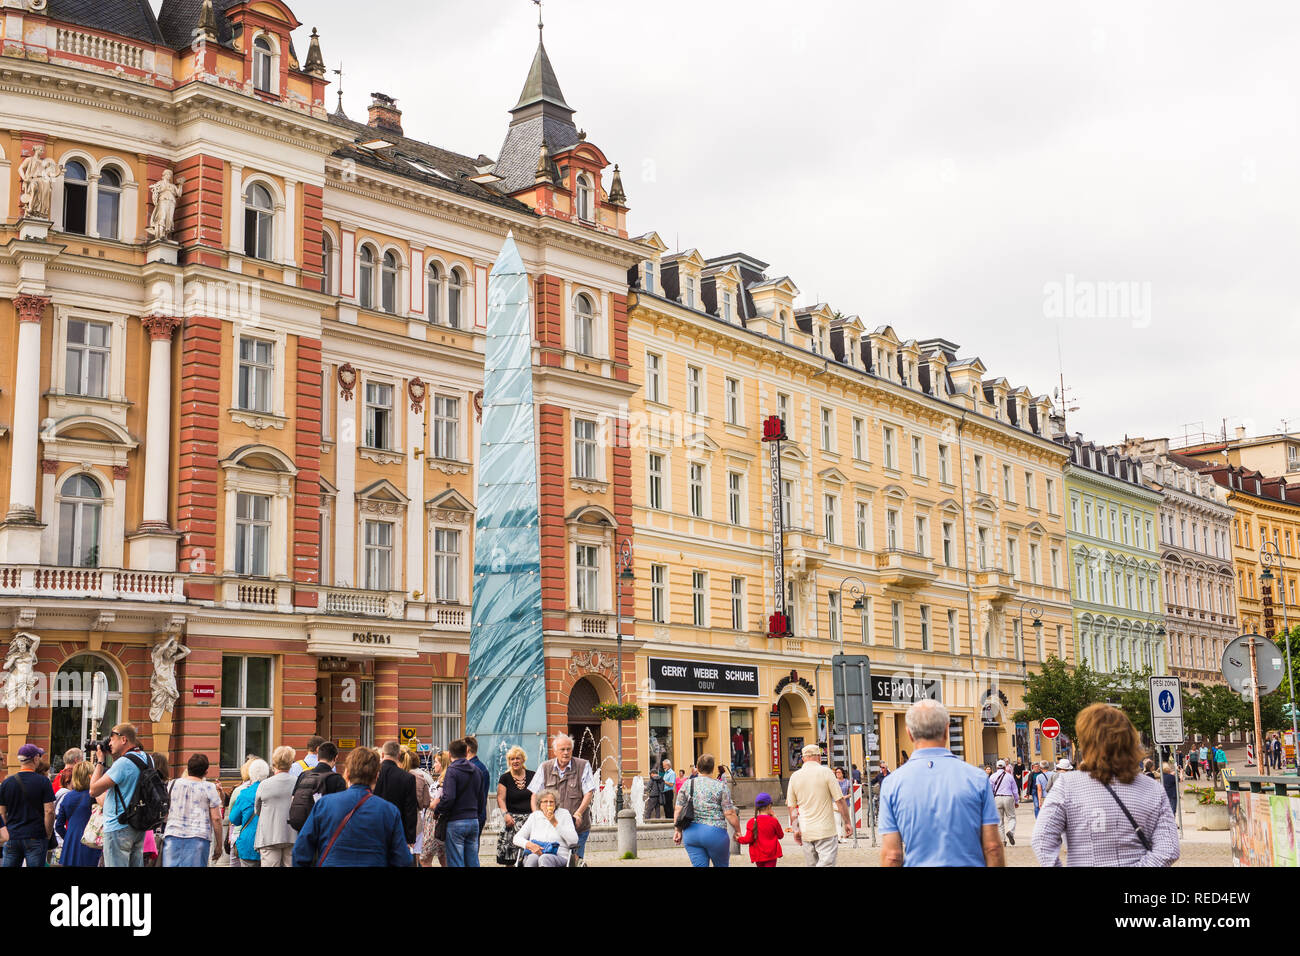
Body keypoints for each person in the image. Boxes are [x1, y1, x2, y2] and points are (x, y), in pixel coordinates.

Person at [1032, 703, 1179, 867]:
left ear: (1087, 742)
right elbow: (1169, 850)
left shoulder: (1067, 785)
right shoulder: (1152, 788)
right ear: (1130, 741)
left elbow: (1042, 839)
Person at [879, 699, 1003, 867]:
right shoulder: (977, 779)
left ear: (909, 733)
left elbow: (892, 855)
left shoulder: (892, 784)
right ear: (947, 729)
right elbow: (992, 847)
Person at [292, 746, 413, 867]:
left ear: (347, 774)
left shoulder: (324, 804)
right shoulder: (389, 811)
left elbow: (301, 850)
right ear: (376, 776)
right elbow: (403, 859)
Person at [87, 724, 154, 868]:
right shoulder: (147, 758)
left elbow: (93, 790)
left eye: (111, 739)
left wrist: (100, 762)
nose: (109, 743)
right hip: (138, 824)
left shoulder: (123, 763)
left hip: (118, 826)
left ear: (123, 739)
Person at [529, 733, 596, 861]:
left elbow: (589, 792)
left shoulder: (583, 765)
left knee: (574, 860)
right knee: (551, 858)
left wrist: (579, 813)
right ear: (555, 751)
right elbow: (535, 795)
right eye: (562, 749)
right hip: (552, 827)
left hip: (577, 826)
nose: (566, 752)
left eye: (568, 749)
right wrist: (536, 815)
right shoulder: (545, 767)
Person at [786, 744, 852, 867]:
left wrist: (795, 829)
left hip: (806, 831)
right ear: (819, 757)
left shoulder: (794, 777)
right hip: (825, 830)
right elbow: (839, 800)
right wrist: (847, 822)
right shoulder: (826, 772)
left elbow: (791, 807)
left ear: (803, 759)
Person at [673, 753, 740, 867]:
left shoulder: (687, 784)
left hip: (691, 833)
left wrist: (677, 830)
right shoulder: (720, 786)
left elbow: (678, 809)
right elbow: (729, 812)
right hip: (715, 833)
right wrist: (737, 830)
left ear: (697, 768)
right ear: (713, 769)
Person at [160, 753, 222, 868]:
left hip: (173, 834)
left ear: (188, 769)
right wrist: (219, 845)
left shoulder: (172, 784)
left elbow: (165, 810)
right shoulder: (209, 787)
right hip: (199, 838)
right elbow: (216, 818)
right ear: (205, 772)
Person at [0, 743, 55, 867]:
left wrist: (6, 832)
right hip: (35, 836)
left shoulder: (7, 783)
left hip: (12, 836)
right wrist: (47, 833)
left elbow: (2, 813)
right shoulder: (43, 782)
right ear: (35, 759)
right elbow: (49, 811)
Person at [437, 738, 484, 867]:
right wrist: (476, 814)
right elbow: (481, 798)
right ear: (466, 752)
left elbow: (449, 797)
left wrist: (438, 810)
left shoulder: (452, 771)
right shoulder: (477, 771)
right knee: (473, 861)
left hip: (456, 821)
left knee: (456, 861)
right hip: (473, 821)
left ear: (449, 754)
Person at [254, 746, 298, 867]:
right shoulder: (298, 782)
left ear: (274, 763)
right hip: (292, 834)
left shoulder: (264, 784)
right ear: (291, 763)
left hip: (269, 835)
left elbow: (257, 810)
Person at [513, 787, 579, 867]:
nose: (548, 804)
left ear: (556, 804)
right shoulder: (534, 816)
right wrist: (529, 845)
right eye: (545, 802)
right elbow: (516, 838)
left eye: (551, 802)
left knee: (544, 858)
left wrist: (555, 823)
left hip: (559, 856)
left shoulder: (564, 814)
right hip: (534, 853)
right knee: (532, 858)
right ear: (540, 804)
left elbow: (574, 840)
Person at [288, 741, 345, 832]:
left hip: (304, 828)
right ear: (335, 757)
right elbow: (341, 809)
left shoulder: (303, 775)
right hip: (325, 830)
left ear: (318, 757)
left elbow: (293, 799)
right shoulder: (337, 779)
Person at [374, 741, 419, 849]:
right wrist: (410, 838)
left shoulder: (373, 774)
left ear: (383, 754)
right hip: (398, 828)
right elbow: (410, 810)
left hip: (374, 827)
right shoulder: (407, 778)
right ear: (398, 755)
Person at [54, 761, 100, 867]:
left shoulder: (67, 797)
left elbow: (58, 825)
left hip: (70, 843)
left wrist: (68, 838)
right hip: (90, 841)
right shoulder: (95, 796)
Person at [227, 758, 270, 867]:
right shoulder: (271, 792)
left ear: (251, 774)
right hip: (269, 843)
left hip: (248, 843)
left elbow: (234, 819)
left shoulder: (244, 794)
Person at [496, 745, 534, 865]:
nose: (515, 761)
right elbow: (500, 798)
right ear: (509, 761)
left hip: (529, 820)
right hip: (511, 821)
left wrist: (536, 817)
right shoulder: (505, 778)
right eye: (512, 759)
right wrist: (505, 815)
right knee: (510, 859)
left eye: (518, 758)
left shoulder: (532, 775)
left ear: (523, 760)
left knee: (529, 856)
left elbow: (536, 797)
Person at [736, 791, 784, 867]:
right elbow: (780, 835)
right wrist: (776, 818)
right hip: (771, 855)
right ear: (769, 806)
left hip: (758, 855)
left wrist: (739, 838)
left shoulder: (751, 822)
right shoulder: (773, 821)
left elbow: (748, 839)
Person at [421, 750, 450, 867]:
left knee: (425, 858)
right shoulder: (441, 779)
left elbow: (435, 804)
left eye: (436, 762)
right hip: (433, 822)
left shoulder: (443, 781)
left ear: (443, 764)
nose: (434, 765)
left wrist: (425, 801)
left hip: (434, 822)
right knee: (443, 857)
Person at [990, 758, 1019, 846]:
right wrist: (1016, 801)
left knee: (999, 821)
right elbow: (1015, 790)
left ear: (996, 767)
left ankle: (1002, 841)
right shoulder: (1009, 776)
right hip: (1008, 797)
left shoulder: (992, 776)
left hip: (997, 798)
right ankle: (1010, 831)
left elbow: (989, 790)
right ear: (1005, 767)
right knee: (1011, 817)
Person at [465, 735, 490, 834]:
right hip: (477, 815)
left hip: (471, 816)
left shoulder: (470, 768)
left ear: (467, 749)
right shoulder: (481, 767)